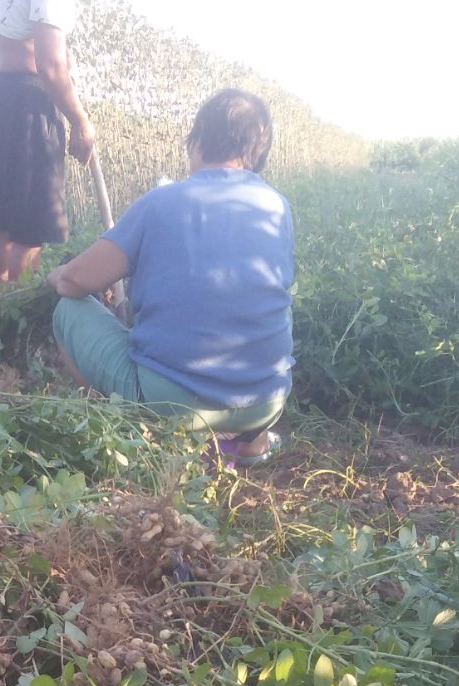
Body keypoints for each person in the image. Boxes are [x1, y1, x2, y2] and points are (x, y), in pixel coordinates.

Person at [47, 88, 293, 467]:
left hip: (176, 404)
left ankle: (128, 435)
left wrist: (58, 273)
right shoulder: (277, 207)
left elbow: (76, 283)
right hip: (267, 401)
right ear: (258, 154)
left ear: (195, 142)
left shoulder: (161, 203)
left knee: (67, 310)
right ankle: (251, 443)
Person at [0, 0, 95, 282]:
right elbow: (51, 66)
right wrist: (81, 121)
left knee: (4, 225)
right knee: (29, 230)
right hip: (27, 102)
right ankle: (20, 310)